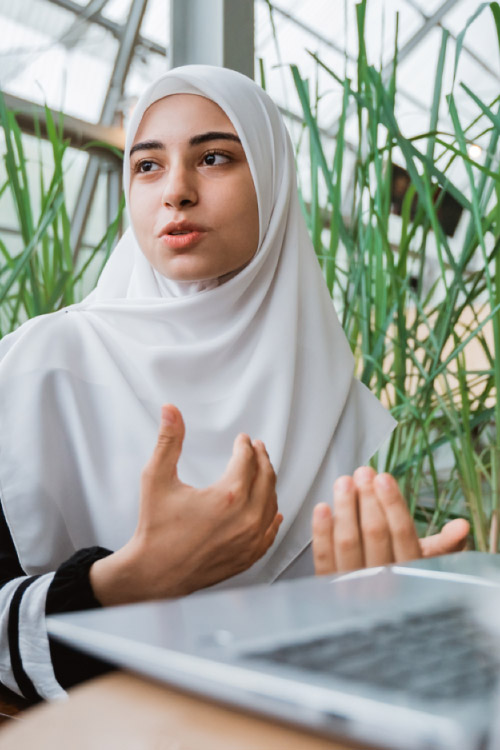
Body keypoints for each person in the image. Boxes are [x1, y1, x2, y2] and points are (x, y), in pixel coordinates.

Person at [0, 65, 469, 701]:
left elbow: (314, 657)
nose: (176, 192)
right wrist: (130, 580)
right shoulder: (37, 367)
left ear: (273, 184)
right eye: (147, 166)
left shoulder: (331, 402)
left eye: (214, 157)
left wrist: (388, 613)